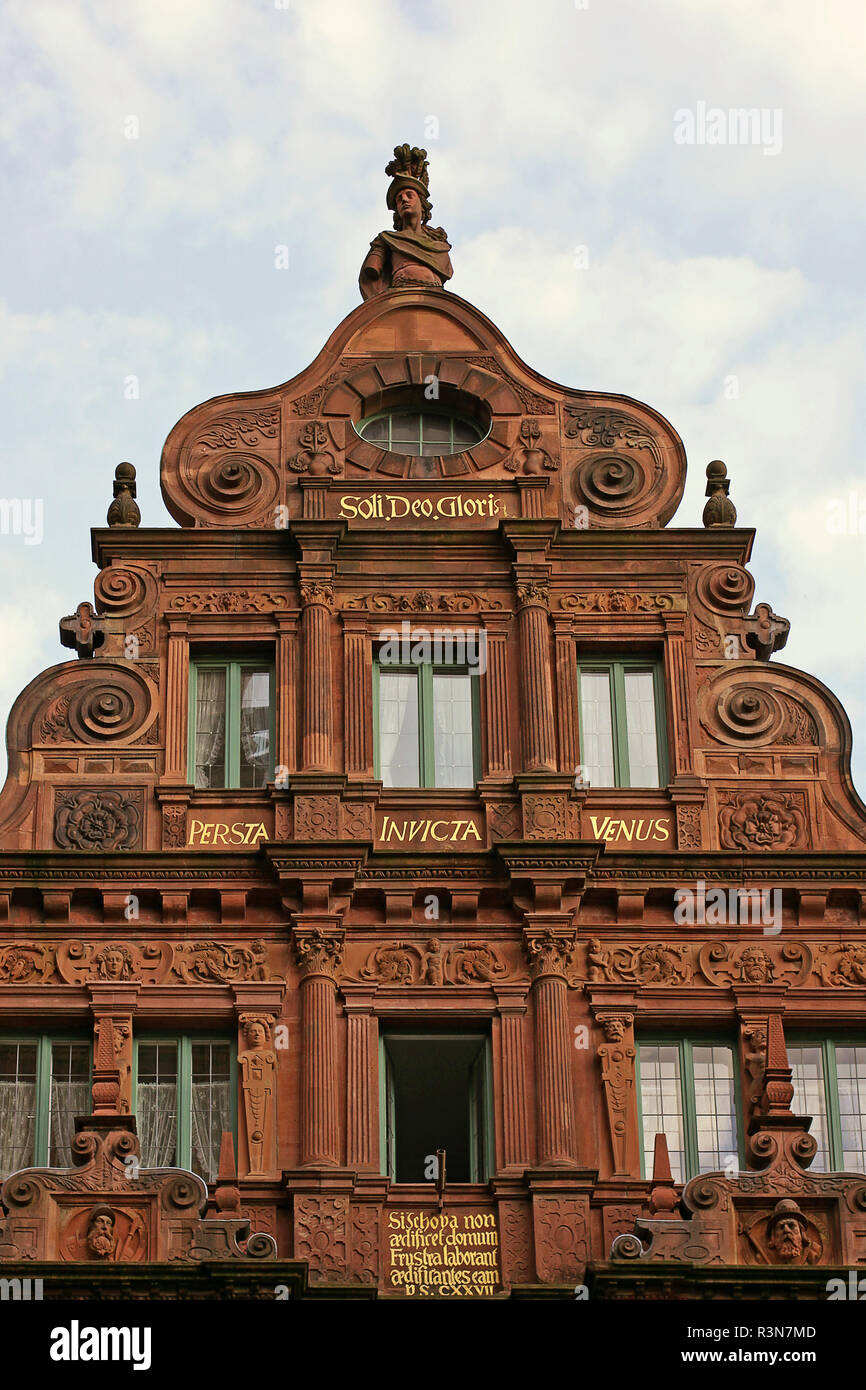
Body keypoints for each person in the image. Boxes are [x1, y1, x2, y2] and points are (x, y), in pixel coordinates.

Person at [359, 145, 453, 299]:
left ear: (421, 203)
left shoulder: (439, 245)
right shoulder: (386, 241)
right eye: (399, 199)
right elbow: (371, 274)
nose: (404, 200)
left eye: (409, 195)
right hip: (401, 297)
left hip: (435, 299)